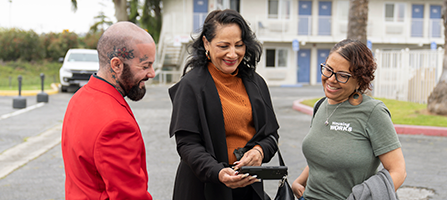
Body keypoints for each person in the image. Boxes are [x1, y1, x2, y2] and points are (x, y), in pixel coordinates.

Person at [168, 9, 280, 200]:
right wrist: (218, 172)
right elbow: (187, 144)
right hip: (203, 188)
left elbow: (271, 135)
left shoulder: (256, 82)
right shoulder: (191, 85)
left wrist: (259, 151)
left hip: (248, 187)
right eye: (223, 46)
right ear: (206, 43)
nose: (233, 53)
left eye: (239, 45)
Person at [292, 39, 407, 200]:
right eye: (328, 70)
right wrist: (300, 181)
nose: (331, 79)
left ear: (360, 80)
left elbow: (398, 171)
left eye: (342, 75)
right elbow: (325, 157)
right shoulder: (321, 105)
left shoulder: (373, 112)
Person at [61, 21, 155, 200]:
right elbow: (129, 196)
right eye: (145, 66)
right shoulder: (116, 125)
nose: (152, 73)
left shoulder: (79, 98)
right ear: (116, 65)